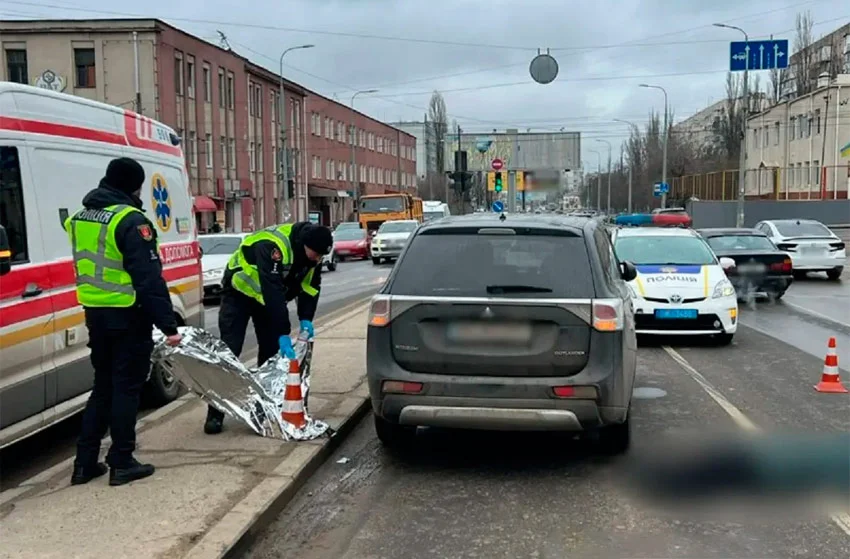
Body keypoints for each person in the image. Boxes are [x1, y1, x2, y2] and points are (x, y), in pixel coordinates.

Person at [66, 157, 182, 487]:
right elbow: (148, 279)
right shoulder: (131, 221)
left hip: (95, 314)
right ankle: (121, 460)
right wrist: (169, 328)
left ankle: (84, 463)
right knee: (127, 388)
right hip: (127, 314)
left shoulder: (80, 217)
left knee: (103, 386)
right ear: (134, 185)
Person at [203, 221, 333, 434]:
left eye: (321, 256)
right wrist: (283, 332)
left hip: (266, 299)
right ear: (304, 245)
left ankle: (261, 410)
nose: (318, 260)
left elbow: (311, 287)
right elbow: (272, 291)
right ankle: (215, 413)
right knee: (230, 351)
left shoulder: (313, 256)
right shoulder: (273, 246)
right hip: (239, 293)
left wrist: (306, 319)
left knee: (270, 353)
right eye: (315, 254)